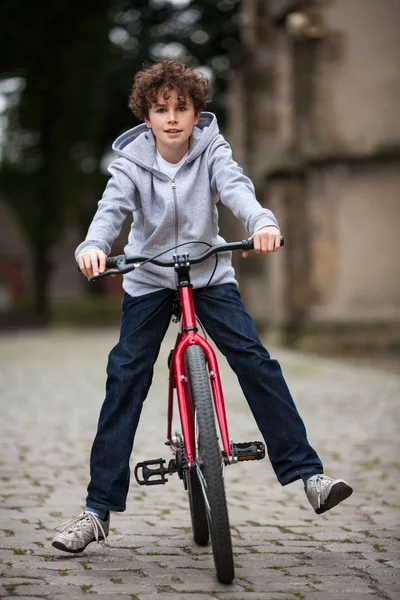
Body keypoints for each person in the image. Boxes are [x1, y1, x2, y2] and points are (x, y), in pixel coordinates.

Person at [52, 60, 353, 554]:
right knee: (126, 374)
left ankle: (308, 475)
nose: (172, 118)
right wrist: (93, 245)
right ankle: (96, 511)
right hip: (149, 278)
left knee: (256, 361)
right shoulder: (129, 163)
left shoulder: (213, 150)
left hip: (208, 272)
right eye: (160, 109)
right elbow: (111, 211)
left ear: (197, 114)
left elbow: (236, 188)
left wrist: (262, 223)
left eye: (182, 108)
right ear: (146, 117)